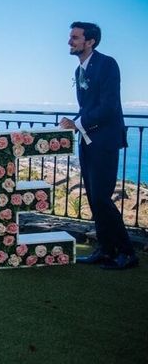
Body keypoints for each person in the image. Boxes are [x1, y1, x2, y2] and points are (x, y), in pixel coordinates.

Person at [59, 22, 138, 270]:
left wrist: (78, 122)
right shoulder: (79, 70)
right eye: (70, 37)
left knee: (102, 198)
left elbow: (109, 106)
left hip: (104, 141)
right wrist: (75, 123)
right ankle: (105, 249)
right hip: (87, 140)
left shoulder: (107, 64)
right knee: (94, 198)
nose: (69, 41)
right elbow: (88, 106)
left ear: (90, 41)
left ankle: (127, 253)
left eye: (75, 37)